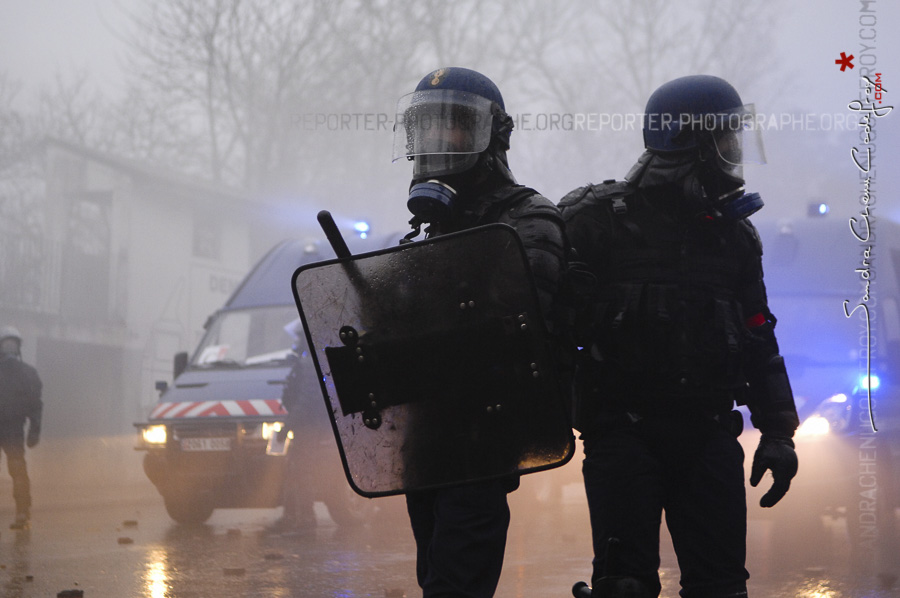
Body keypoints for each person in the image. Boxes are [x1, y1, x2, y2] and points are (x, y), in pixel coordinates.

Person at [558, 75, 799, 598]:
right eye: (727, 138)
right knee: (624, 586)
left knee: (720, 589)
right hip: (622, 434)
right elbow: (540, 326)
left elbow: (758, 333)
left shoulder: (734, 236)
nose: (735, 152)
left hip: (708, 434)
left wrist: (779, 431)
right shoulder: (595, 222)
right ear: (688, 141)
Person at [392, 67, 567, 598]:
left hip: (483, 438)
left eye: (457, 127)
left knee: (454, 584)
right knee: (436, 580)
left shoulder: (529, 219)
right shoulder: (424, 233)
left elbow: (522, 323)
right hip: (427, 442)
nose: (440, 141)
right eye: (428, 128)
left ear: (495, 136)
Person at [0, 326, 43, 530]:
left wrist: (35, 429)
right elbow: (36, 405)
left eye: (12, 344)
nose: (9, 349)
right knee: (18, 469)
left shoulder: (28, 374)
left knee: (17, 469)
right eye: (6, 344)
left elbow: (35, 405)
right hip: (9, 428)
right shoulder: (27, 373)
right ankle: (22, 512)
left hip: (13, 429)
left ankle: (22, 512)